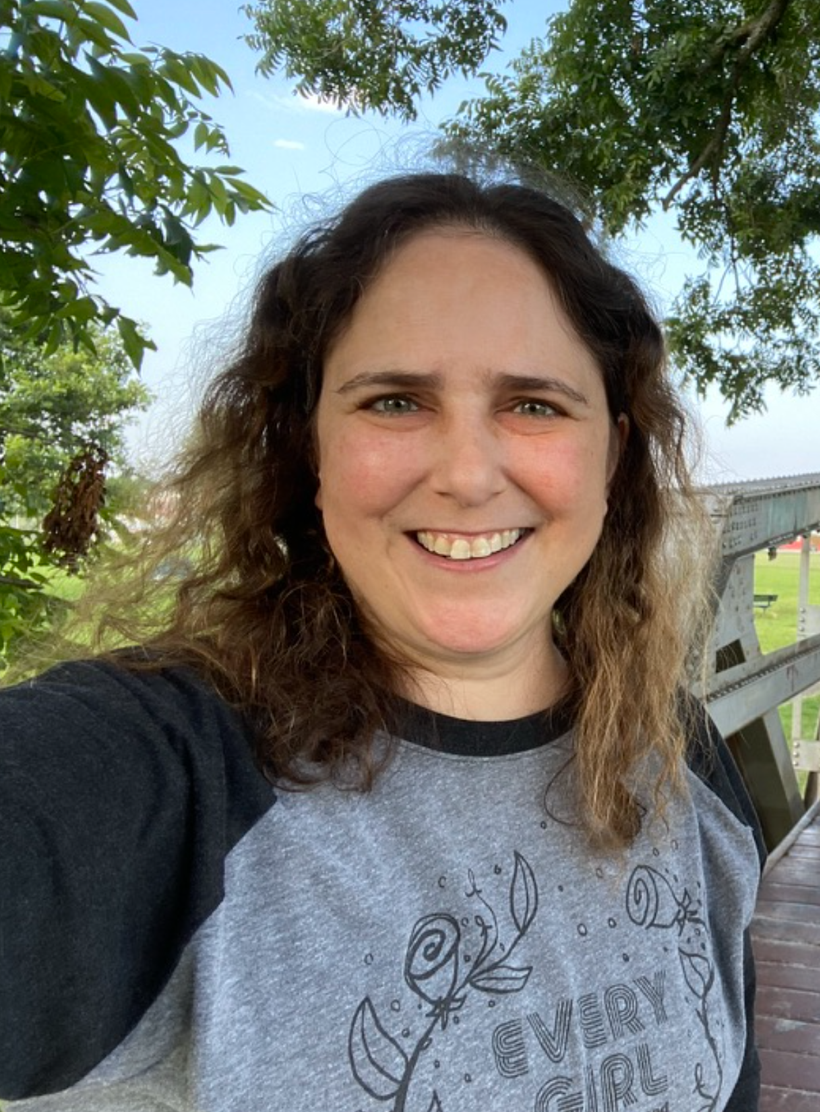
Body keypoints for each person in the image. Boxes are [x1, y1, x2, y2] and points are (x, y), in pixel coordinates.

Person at [0, 172, 765, 1111]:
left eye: (534, 404)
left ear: (611, 453)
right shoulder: (178, 776)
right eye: (396, 401)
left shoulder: (677, 753)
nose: (468, 475)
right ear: (309, 449)